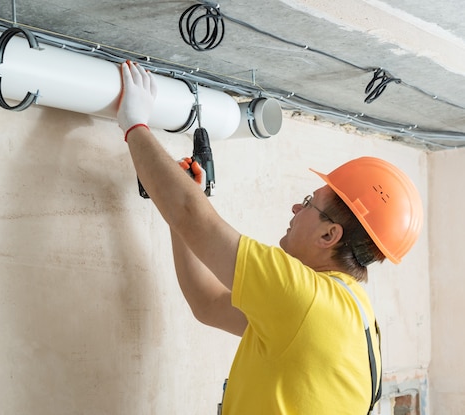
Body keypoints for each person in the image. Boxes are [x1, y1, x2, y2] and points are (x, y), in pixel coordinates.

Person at [116, 61, 423, 414]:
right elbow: (207, 304)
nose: (296, 207)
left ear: (329, 234)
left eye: (309, 203)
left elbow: (191, 214)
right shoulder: (347, 309)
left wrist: (134, 124)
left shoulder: (305, 300)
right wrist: (176, 213)